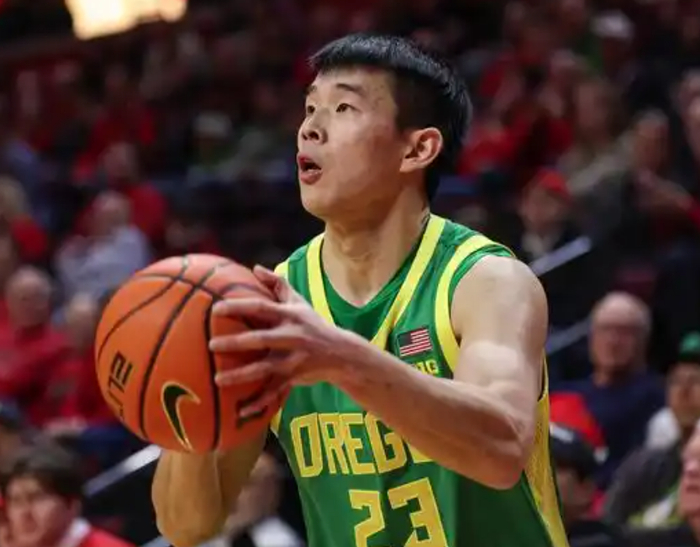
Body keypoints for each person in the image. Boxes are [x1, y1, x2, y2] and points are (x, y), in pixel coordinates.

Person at [153, 34, 564, 547]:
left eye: (343, 108)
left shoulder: (485, 281)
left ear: (417, 149)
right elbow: (186, 525)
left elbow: (501, 450)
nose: (309, 128)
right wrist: (194, 395)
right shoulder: (273, 303)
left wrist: (338, 356)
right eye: (310, 108)